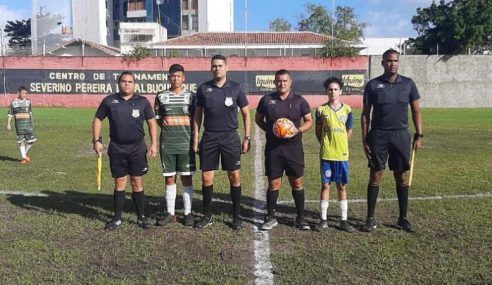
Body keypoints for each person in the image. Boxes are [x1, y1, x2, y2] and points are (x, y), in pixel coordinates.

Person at [361, 49, 423, 233]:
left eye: (395, 61)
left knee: (401, 175)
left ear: (399, 62)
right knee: (376, 175)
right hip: (378, 135)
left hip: (401, 135)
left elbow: (416, 111)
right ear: (382, 63)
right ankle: (370, 218)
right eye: (389, 61)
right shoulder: (373, 85)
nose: (392, 64)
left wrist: (419, 135)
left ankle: (403, 218)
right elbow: (365, 115)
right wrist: (364, 139)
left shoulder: (408, 84)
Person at [92, 71, 158, 230]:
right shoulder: (109, 101)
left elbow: (151, 122)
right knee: (120, 182)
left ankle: (141, 217)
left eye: (129, 81)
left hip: (137, 148)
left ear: (134, 84)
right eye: (123, 81)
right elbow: (97, 119)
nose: (126, 84)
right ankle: (117, 218)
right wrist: (96, 140)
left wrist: (154, 143)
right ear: (119, 83)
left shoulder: (142, 102)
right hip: (117, 147)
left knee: (137, 182)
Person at [192, 54, 251, 230]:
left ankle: (236, 216)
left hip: (230, 137)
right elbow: (197, 115)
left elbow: (247, 113)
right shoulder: (203, 89)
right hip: (209, 137)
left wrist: (247, 138)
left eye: (220, 65)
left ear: (227, 67)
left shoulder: (236, 89)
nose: (217, 68)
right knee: (206, 177)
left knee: (234, 176)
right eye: (214, 66)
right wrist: (196, 138)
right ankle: (207, 215)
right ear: (211, 68)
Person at [255, 69, 313, 231]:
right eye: (279, 81)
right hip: (274, 149)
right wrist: (270, 129)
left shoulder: (300, 100)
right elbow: (258, 119)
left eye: (285, 81)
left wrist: (297, 130)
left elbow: (309, 120)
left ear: (290, 82)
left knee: (297, 182)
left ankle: (301, 218)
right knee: (274, 183)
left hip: (294, 149)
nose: (281, 83)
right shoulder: (267, 100)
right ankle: (270, 216)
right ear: (274, 82)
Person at [154, 64, 196, 227]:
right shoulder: (161, 96)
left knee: (186, 177)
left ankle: (188, 213)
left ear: (183, 78)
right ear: (169, 77)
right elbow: (158, 119)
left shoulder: (191, 96)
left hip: (186, 144)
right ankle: (170, 213)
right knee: (169, 178)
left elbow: (196, 119)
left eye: (178, 76)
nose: (175, 78)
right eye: (173, 76)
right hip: (168, 143)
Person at [314, 77, 354, 233]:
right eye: (330, 89)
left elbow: (349, 131)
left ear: (341, 91)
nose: (333, 92)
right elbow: (318, 131)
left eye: (336, 89)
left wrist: (342, 144)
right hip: (327, 154)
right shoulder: (321, 110)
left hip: (342, 155)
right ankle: (323, 219)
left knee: (342, 186)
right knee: (325, 185)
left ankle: (343, 220)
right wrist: (325, 144)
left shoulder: (348, 110)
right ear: (326, 92)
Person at [7, 86, 37, 164]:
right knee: (21, 141)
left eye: (25, 93)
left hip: (28, 125)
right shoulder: (13, 102)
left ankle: (25, 154)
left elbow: (30, 113)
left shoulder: (28, 102)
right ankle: (24, 157)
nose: (24, 95)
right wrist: (8, 124)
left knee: (31, 141)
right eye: (23, 93)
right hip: (19, 125)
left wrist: (32, 123)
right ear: (18, 93)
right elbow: (10, 114)